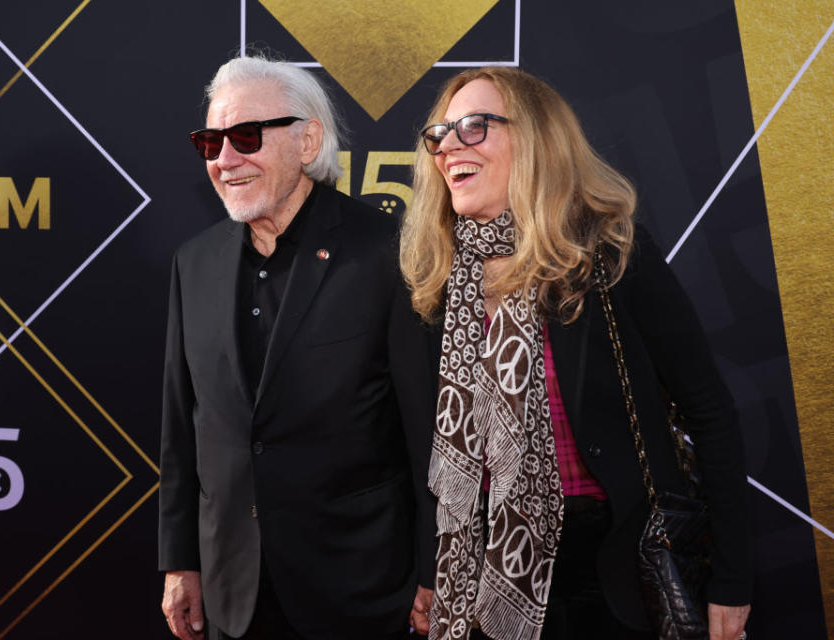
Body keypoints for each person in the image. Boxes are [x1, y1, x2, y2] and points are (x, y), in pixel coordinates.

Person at [399, 67, 752, 640]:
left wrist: (733, 582)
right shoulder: (433, 283)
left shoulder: (610, 259)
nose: (448, 148)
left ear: (538, 138)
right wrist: (428, 569)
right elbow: (423, 459)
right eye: (441, 134)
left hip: (612, 578)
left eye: (474, 126)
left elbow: (708, 413)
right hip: (479, 580)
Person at [158, 55, 437, 640]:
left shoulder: (389, 253)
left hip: (359, 587)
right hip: (233, 590)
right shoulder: (194, 263)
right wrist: (180, 562)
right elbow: (184, 431)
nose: (224, 159)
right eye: (210, 141)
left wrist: (435, 568)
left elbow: (428, 435)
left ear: (308, 141)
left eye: (245, 137)